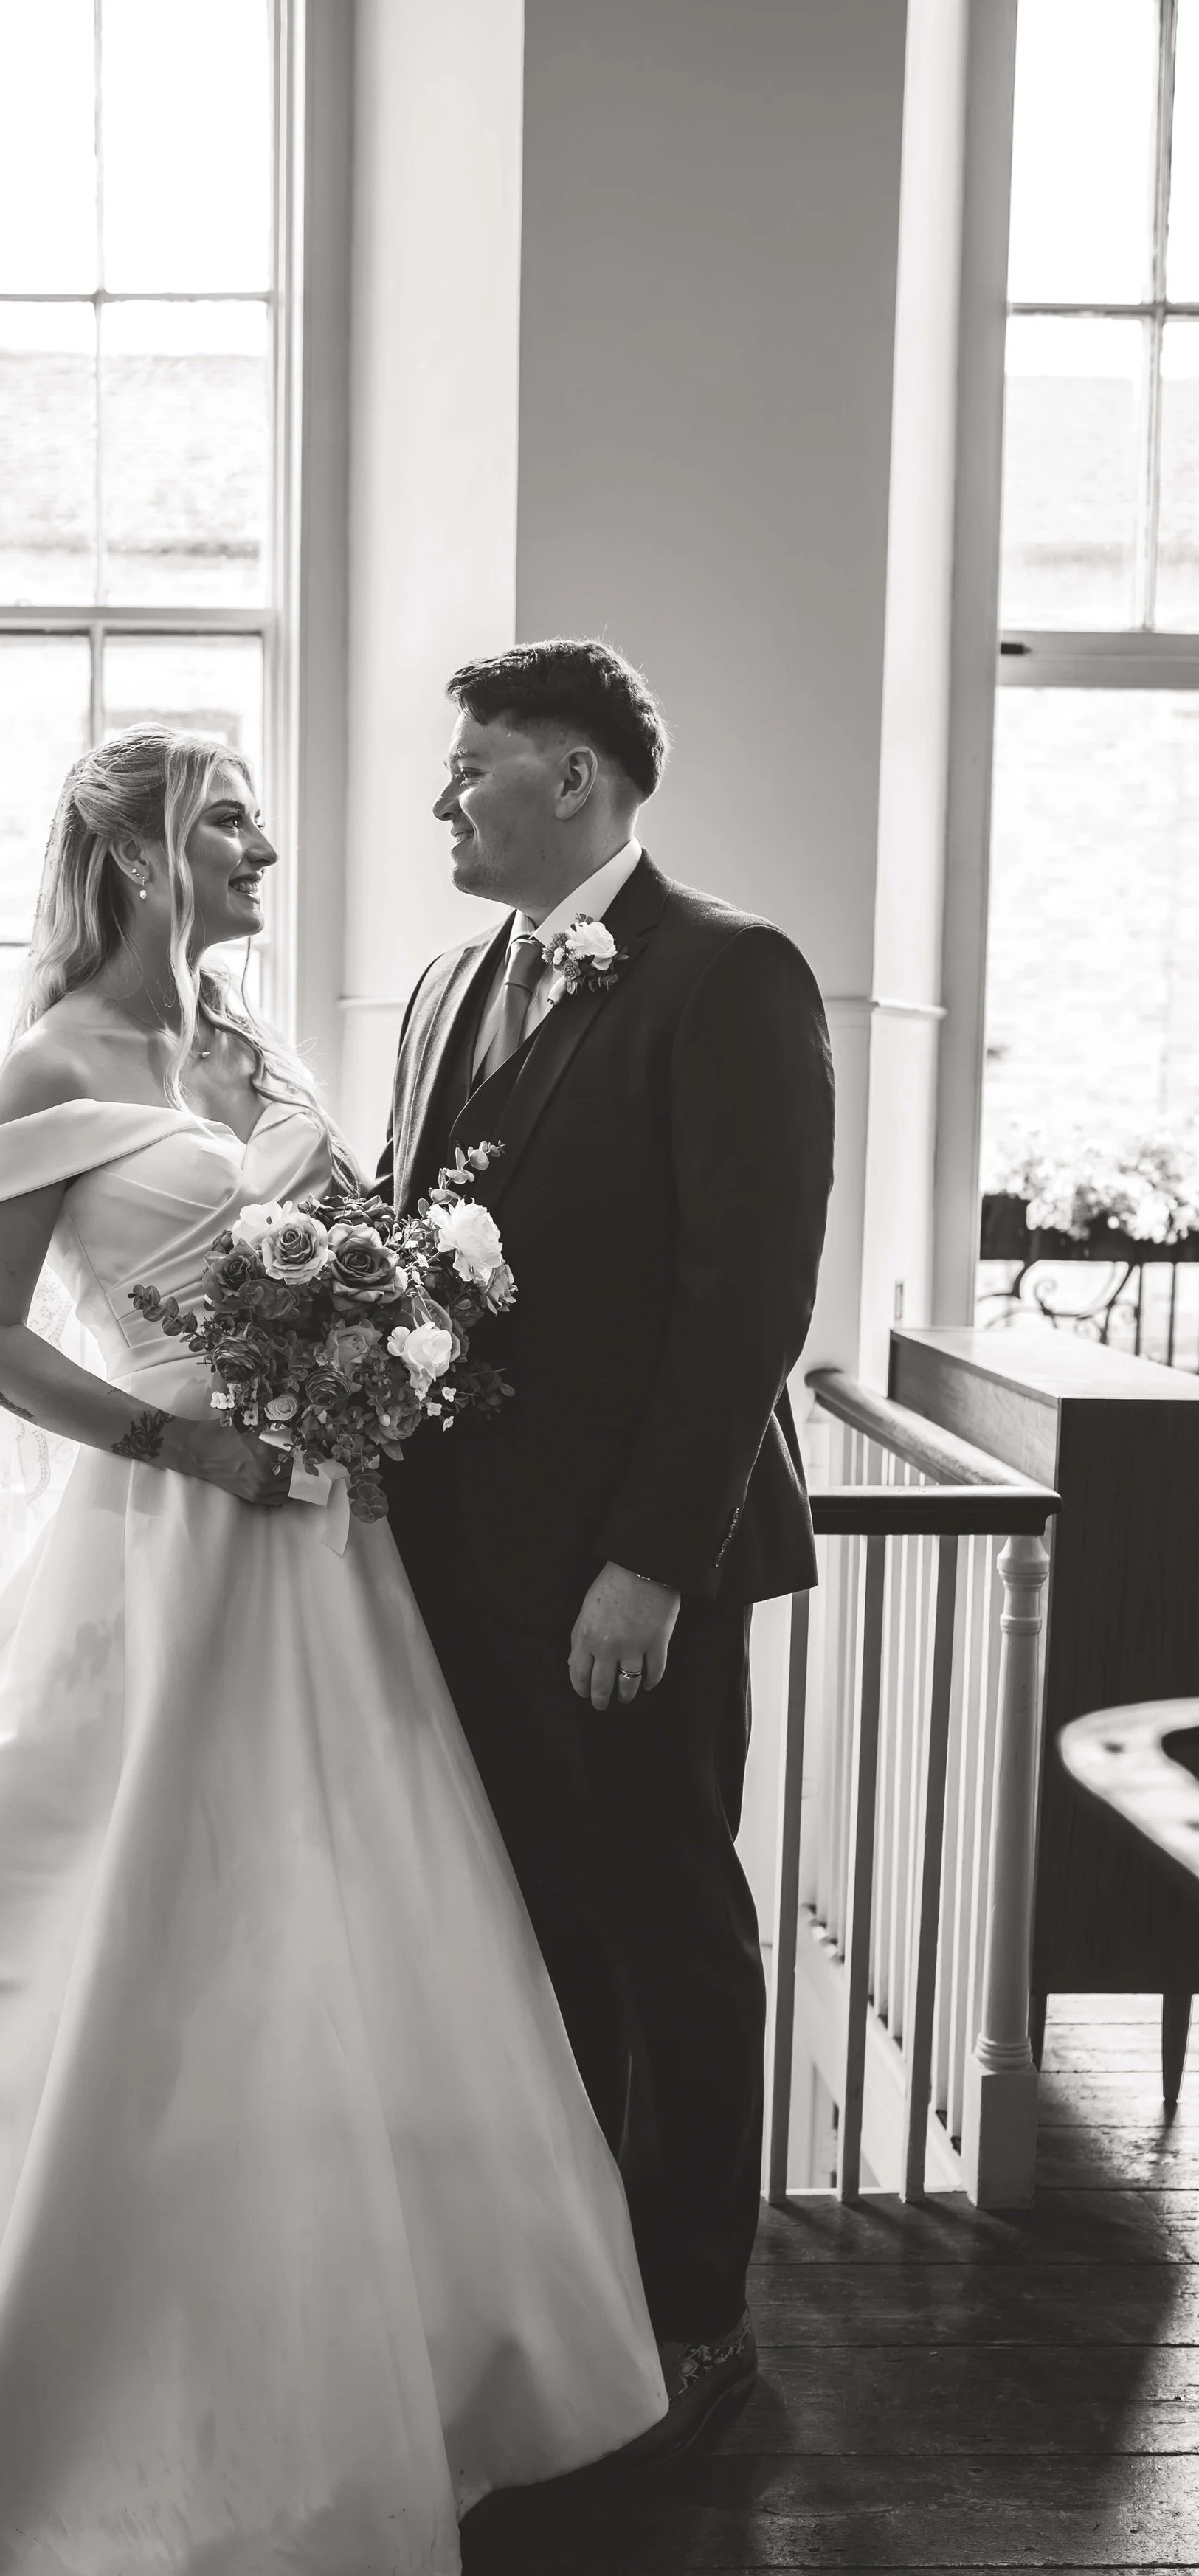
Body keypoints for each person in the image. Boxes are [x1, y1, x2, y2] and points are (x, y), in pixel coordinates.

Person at [0, 724, 666, 2576]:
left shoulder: (248, 1055)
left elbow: (365, 1241)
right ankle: (42, 2402)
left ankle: (404, 2367)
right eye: (227, 821)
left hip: (320, 1551)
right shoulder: (49, 1064)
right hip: (161, 1549)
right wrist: (176, 1439)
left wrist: (376, 1345)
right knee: (133, 1947)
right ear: (136, 855)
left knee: (351, 1925)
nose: (265, 845)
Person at [380, 639, 835, 2459]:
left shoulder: (726, 974)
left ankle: (694, 2313)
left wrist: (649, 1563)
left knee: (665, 1919)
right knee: (531, 1920)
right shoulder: (436, 988)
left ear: (571, 779)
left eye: (472, 765)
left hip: (631, 1573)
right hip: (453, 1560)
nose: (444, 800)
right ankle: (562, 2283)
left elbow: (744, 1303)